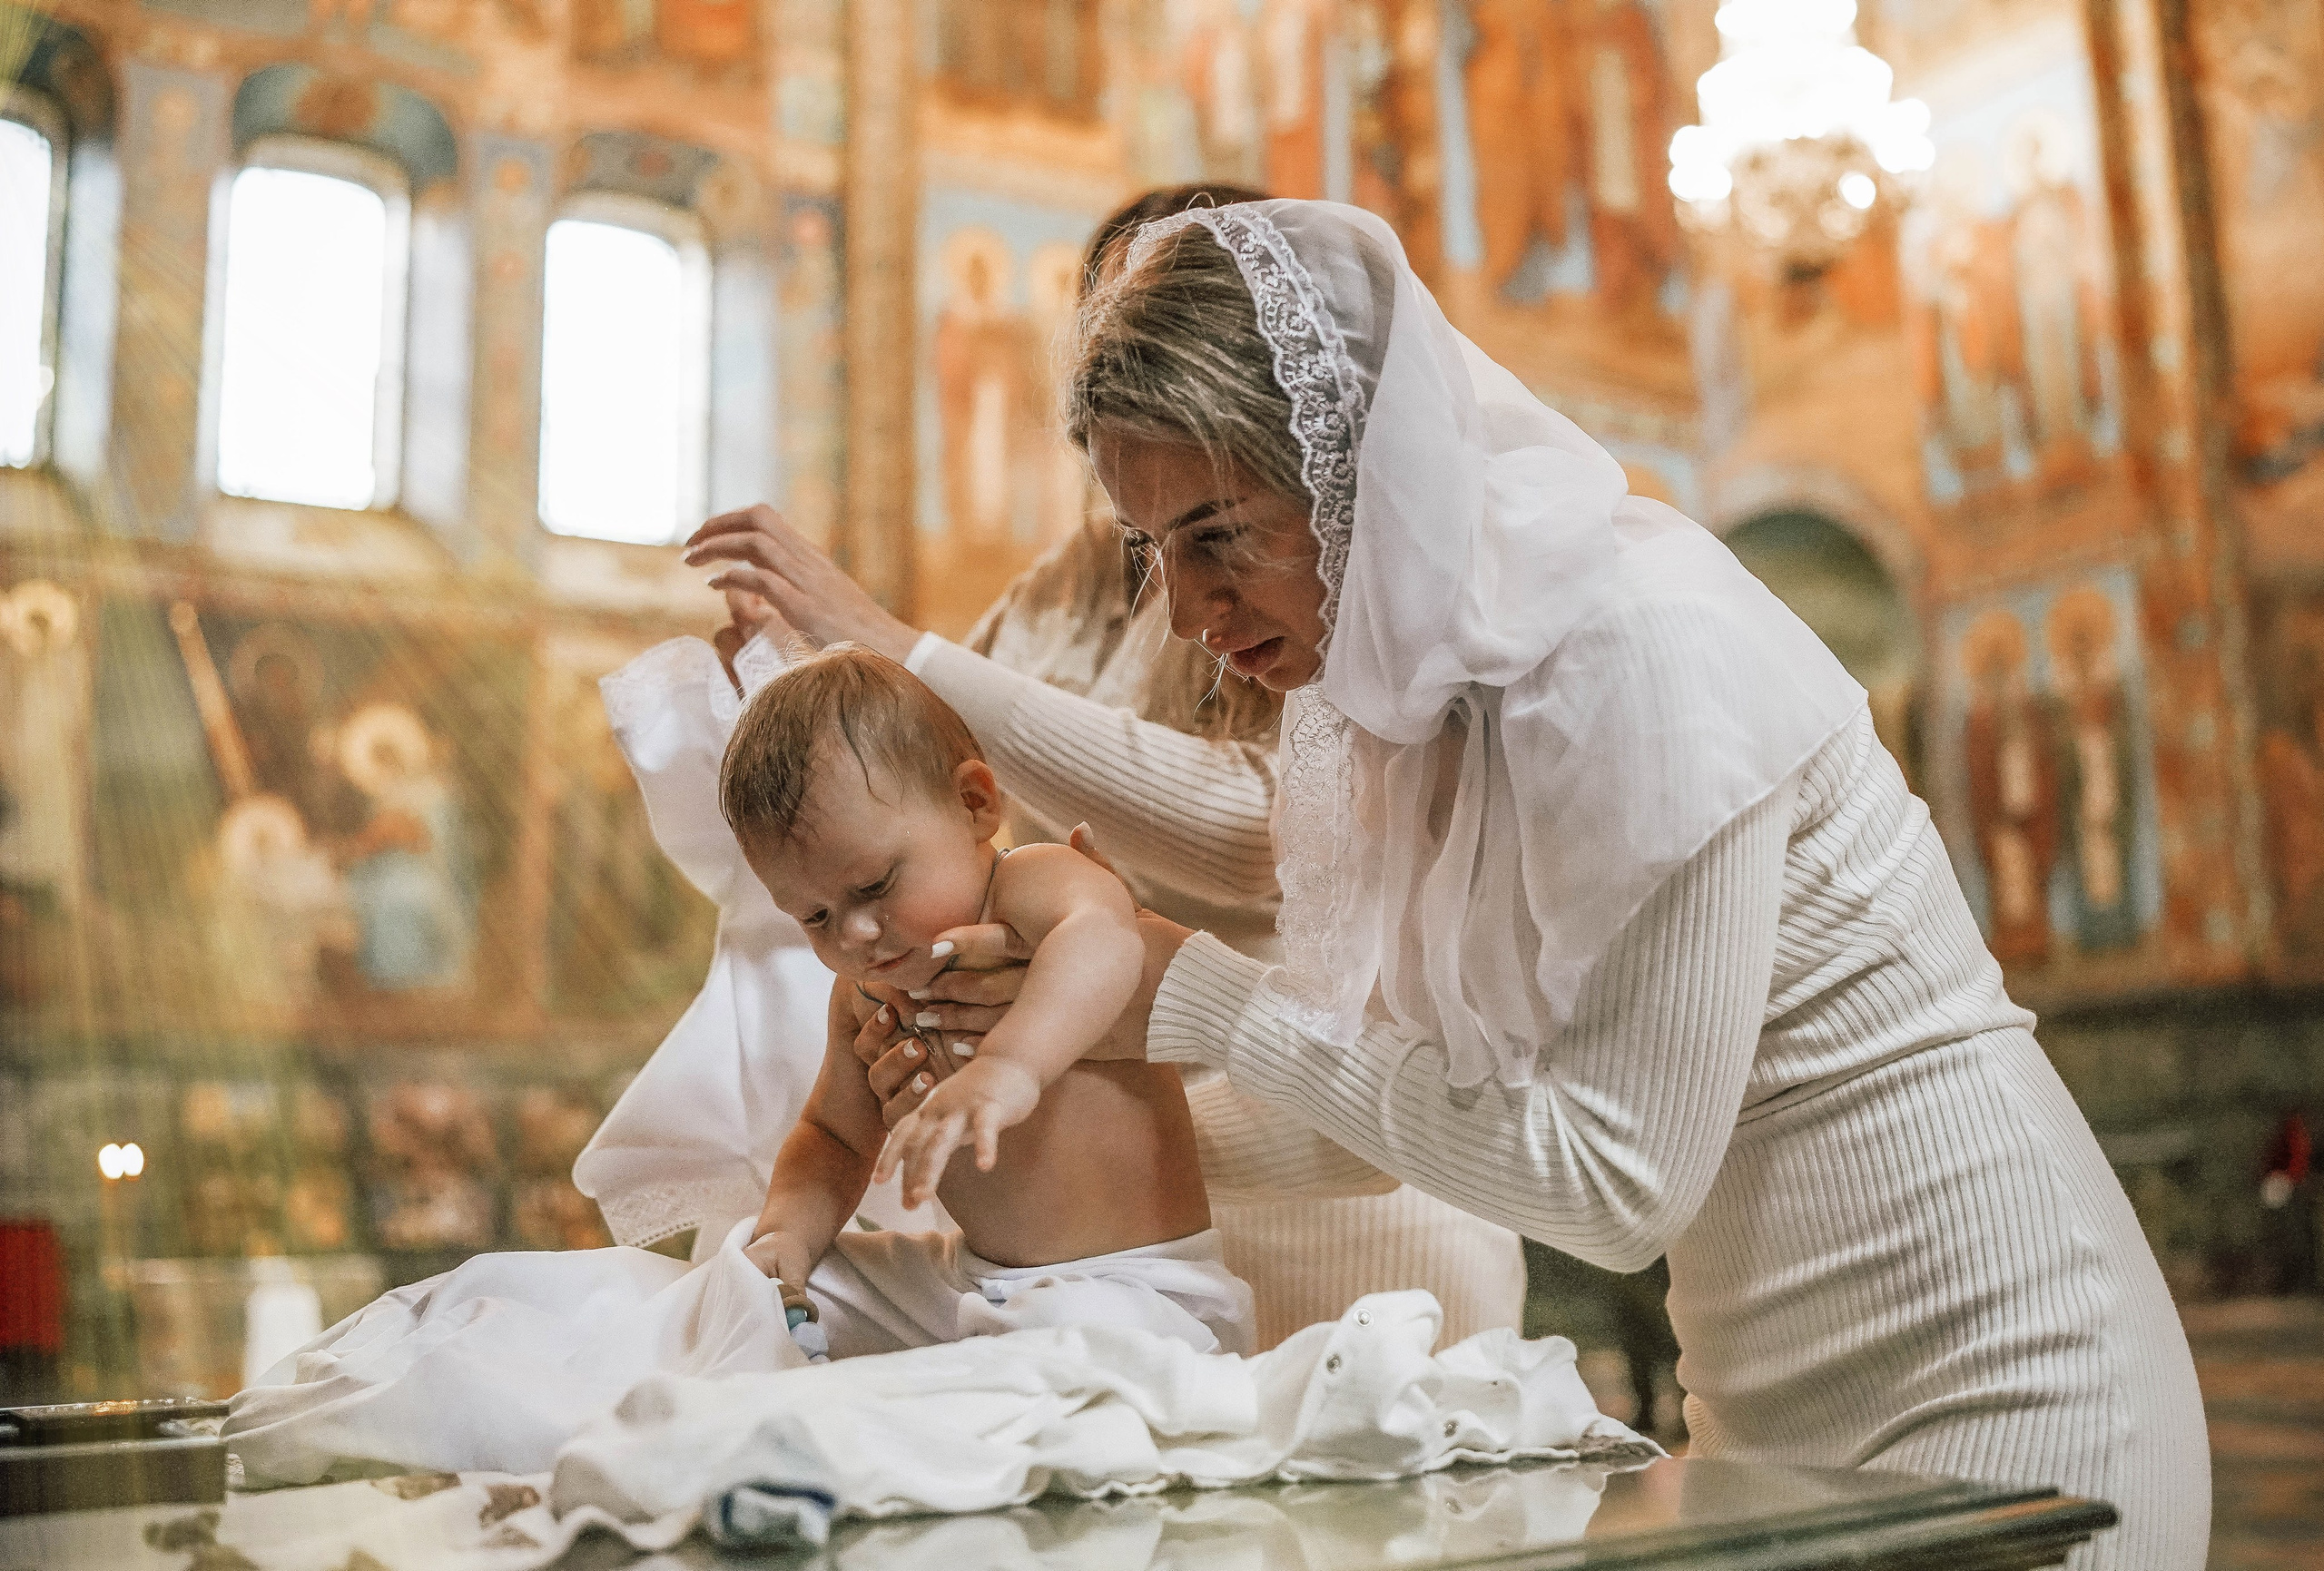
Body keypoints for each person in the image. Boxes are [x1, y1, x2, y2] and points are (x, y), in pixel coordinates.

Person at [685, 199, 2208, 1568]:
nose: (1198, 613)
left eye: (1224, 539)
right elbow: (1396, 1122)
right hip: (1766, 1420)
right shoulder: (1395, 708)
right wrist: (1007, 1146)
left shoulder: (1632, 641)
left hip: (2002, 1391)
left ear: (1353, 470)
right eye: (1159, 554)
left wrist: (1196, 997)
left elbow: (1611, 1184)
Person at [725, 644, 1248, 1356]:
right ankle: (816, 1341)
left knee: (1045, 1346)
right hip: (975, 1282)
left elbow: (1109, 940)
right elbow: (834, 1137)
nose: (854, 932)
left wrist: (1010, 1065)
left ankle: (930, 1396)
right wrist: (789, 1230)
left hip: (1137, 1290)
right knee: (761, 1273)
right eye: (813, 916)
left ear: (975, 803)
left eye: (875, 885)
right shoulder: (868, 991)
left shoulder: (1032, 884)